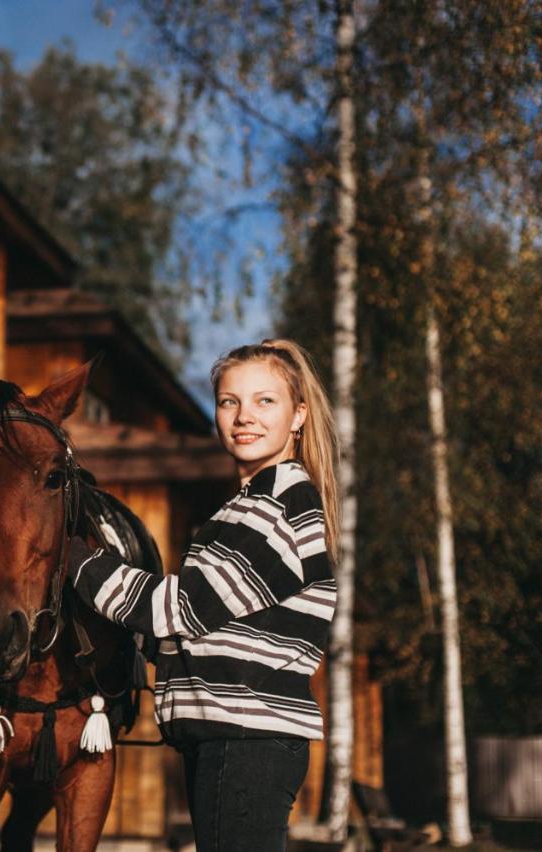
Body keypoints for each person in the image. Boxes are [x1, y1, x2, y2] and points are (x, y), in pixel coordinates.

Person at [67, 339, 339, 852]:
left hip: (246, 741)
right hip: (234, 737)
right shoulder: (248, 506)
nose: (243, 417)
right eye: (229, 401)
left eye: (265, 401)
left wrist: (72, 559)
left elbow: (180, 608)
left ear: (298, 416)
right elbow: (208, 628)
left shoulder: (276, 507)